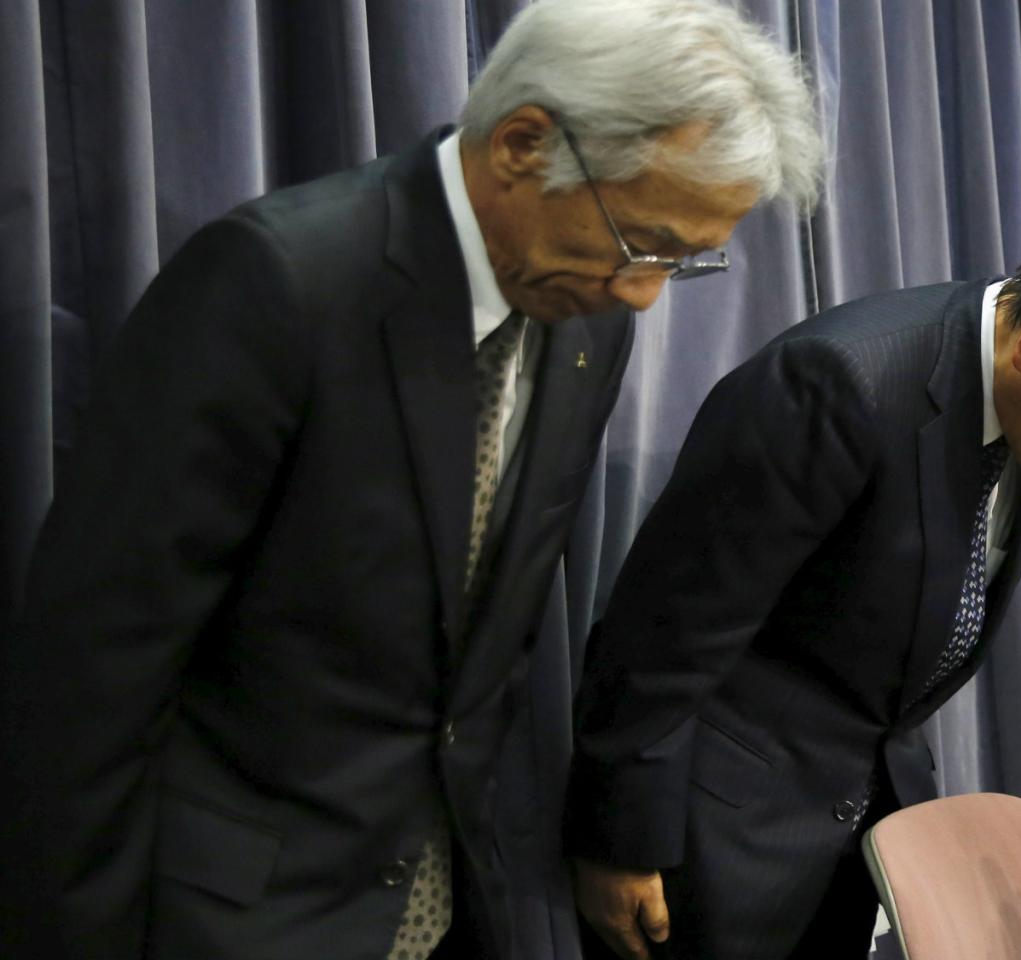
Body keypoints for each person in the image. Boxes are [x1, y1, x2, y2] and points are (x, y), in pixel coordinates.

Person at [0, 2, 821, 958]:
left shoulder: (588, 323)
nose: (643, 290)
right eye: (642, 242)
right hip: (221, 914)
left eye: (683, 262)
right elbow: (95, 667)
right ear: (522, 144)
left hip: (438, 902)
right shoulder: (280, 285)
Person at [565, 233, 1021, 959]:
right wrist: (619, 840)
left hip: (845, 836)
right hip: (705, 844)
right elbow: (666, 631)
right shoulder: (841, 382)